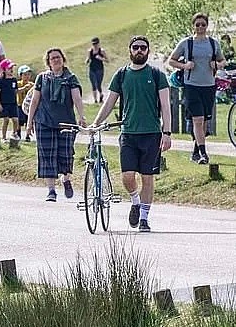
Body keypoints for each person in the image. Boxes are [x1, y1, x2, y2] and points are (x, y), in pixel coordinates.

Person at [92, 36, 172, 232]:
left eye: (143, 48)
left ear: (148, 51)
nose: (139, 50)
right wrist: (96, 123)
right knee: (128, 176)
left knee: (147, 177)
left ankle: (144, 218)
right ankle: (135, 201)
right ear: (130, 50)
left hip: (151, 133)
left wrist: (167, 132)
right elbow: (109, 102)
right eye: (135, 47)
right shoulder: (121, 74)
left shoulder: (156, 75)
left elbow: (165, 106)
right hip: (128, 133)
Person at [26, 48, 87, 202]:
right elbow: (35, 100)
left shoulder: (70, 78)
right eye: (52, 58)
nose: (55, 60)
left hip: (66, 123)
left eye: (58, 57)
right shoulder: (42, 78)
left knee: (65, 154)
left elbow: (77, 98)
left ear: (63, 59)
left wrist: (81, 116)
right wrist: (29, 123)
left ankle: (66, 179)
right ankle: (51, 191)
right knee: (47, 156)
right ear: (48, 62)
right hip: (44, 121)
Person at [167, 13, 226, 164]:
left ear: (207, 26)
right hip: (191, 86)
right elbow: (171, 60)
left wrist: (217, 65)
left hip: (209, 86)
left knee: (205, 120)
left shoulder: (213, 43)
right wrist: (185, 66)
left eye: (203, 25)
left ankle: (195, 151)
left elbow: (222, 60)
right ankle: (204, 154)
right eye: (197, 24)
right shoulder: (186, 43)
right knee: (198, 119)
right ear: (193, 26)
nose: (200, 27)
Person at [0, 60, 20, 140]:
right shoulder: (1, 80)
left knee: (15, 120)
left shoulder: (14, 80)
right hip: (4, 103)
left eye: (12, 68)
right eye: (9, 68)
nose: (11, 69)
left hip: (13, 103)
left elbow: (16, 91)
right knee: (6, 120)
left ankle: (14, 134)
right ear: (4, 70)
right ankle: (3, 137)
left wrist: (24, 89)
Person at [86, 37, 109, 104]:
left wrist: (101, 58)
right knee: (93, 84)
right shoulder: (90, 51)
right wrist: (87, 60)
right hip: (92, 69)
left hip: (99, 69)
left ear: (99, 43)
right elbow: (88, 59)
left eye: (96, 44)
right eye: (93, 44)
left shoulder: (101, 51)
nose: (95, 45)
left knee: (98, 84)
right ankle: (95, 100)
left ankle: (101, 95)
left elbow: (107, 60)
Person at [16, 65, 34, 141]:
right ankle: (18, 132)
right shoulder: (18, 84)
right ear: (21, 75)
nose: (27, 76)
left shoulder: (32, 85)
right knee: (20, 120)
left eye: (28, 74)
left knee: (28, 120)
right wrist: (23, 88)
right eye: (25, 75)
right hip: (20, 105)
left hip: (29, 106)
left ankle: (27, 135)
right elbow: (15, 91)